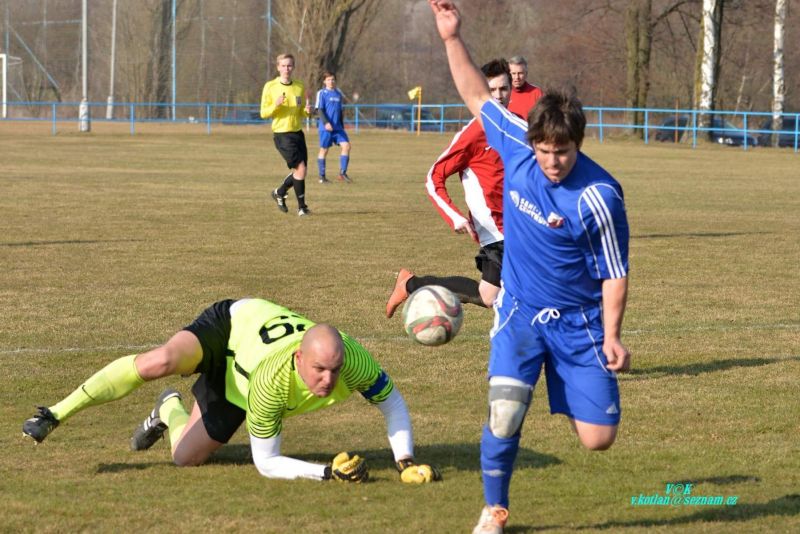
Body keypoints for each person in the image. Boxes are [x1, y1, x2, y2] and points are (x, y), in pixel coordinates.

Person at [429, 2, 632, 533]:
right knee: (504, 411)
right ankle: (494, 510)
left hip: (579, 321)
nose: (550, 161)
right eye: (543, 149)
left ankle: (568, 383)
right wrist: (452, 38)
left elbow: (614, 271)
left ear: (577, 145)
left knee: (598, 438)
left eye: (561, 151)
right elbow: (476, 95)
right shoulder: (517, 147)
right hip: (519, 309)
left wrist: (611, 336)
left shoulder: (600, 196)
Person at [22, 298, 442, 484]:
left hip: (240, 378)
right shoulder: (272, 383)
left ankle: (168, 408)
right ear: (299, 360)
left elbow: (392, 401)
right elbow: (268, 463)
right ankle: (54, 413)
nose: (329, 380)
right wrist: (324, 473)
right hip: (231, 328)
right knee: (160, 362)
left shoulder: (352, 358)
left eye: (334, 370)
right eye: (319, 369)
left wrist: (405, 461)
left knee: (184, 459)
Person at [385, 59, 510, 318]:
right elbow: (434, 177)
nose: (499, 96)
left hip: (520, 223)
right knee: (496, 296)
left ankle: (410, 284)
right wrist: (454, 216)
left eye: (503, 89)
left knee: (495, 295)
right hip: (495, 230)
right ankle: (411, 284)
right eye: (492, 90)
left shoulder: (517, 126)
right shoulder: (473, 134)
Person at [261, 53, 313, 216]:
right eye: (283, 66)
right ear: (278, 67)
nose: (286, 69)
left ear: (293, 67)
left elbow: (303, 111)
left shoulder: (299, 86)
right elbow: (263, 113)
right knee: (300, 169)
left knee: (301, 172)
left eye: (289, 65)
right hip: (282, 134)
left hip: (298, 133)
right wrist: (276, 106)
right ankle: (302, 207)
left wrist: (308, 112)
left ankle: (279, 192)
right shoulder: (270, 86)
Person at [315, 72, 352, 184]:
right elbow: (319, 110)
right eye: (328, 80)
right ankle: (322, 177)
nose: (331, 82)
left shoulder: (338, 94)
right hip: (325, 128)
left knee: (347, 146)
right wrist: (326, 123)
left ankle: (342, 173)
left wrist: (341, 125)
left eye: (332, 80)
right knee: (324, 150)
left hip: (338, 128)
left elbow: (340, 111)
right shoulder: (322, 93)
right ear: (324, 81)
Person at [507, 55, 543, 120]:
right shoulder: (503, 93)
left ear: (526, 74)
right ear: (508, 74)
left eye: (520, 73)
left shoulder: (536, 93)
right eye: (513, 73)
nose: (517, 77)